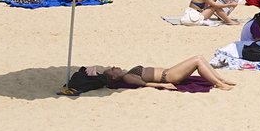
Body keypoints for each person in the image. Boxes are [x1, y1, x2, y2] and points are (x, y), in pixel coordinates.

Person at [88, 56, 236, 91]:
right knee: (197, 60)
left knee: (199, 57)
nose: (115, 66)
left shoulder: (126, 73)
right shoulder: (127, 77)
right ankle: (218, 84)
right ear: (114, 77)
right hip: (169, 76)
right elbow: (144, 84)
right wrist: (165, 86)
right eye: (112, 69)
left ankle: (221, 78)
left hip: (169, 72)